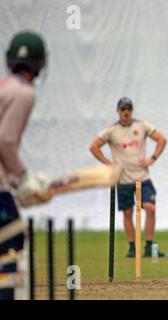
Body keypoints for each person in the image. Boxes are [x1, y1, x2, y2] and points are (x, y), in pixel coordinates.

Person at [0, 31, 49, 300]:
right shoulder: (24, 92)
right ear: (40, 64)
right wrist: (22, 179)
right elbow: (5, 141)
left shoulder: (4, 86)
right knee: (14, 242)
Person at [90, 97, 167, 258]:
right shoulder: (111, 131)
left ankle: (149, 246)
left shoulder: (142, 126)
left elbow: (162, 139)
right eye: (123, 109)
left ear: (132, 111)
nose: (126, 112)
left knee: (150, 208)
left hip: (143, 178)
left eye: (129, 109)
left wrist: (152, 158)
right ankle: (132, 246)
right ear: (118, 111)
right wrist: (108, 163)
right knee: (127, 212)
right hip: (123, 179)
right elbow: (94, 146)